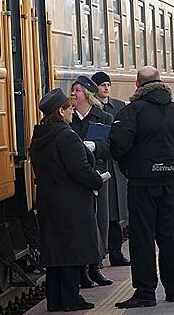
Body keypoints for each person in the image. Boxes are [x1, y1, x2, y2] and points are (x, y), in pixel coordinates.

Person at [109, 66, 174, 308]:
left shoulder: (132, 111)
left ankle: (146, 292)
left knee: (142, 237)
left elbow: (118, 145)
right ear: (160, 82)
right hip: (168, 181)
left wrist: (130, 163)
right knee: (168, 236)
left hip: (141, 183)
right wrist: (168, 156)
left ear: (138, 84)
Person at [30, 89, 103, 312]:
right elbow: (80, 170)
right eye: (70, 108)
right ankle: (71, 298)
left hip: (48, 201)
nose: (73, 111)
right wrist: (97, 180)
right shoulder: (66, 135)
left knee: (55, 252)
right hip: (71, 203)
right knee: (72, 251)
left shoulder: (40, 135)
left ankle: (55, 300)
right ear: (61, 111)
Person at [69, 76, 113, 288]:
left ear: (86, 95)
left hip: (99, 175)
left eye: (77, 91)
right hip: (78, 177)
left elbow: (112, 146)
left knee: (100, 221)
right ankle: (82, 269)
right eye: (73, 90)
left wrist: (95, 147)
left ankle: (96, 266)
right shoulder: (68, 119)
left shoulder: (103, 117)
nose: (73, 95)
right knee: (82, 223)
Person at [92, 71, 131, 266]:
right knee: (100, 213)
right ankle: (98, 255)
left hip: (115, 166)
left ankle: (115, 252)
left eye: (108, 84)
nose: (106, 88)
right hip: (99, 164)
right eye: (102, 85)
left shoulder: (120, 107)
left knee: (114, 213)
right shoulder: (91, 109)